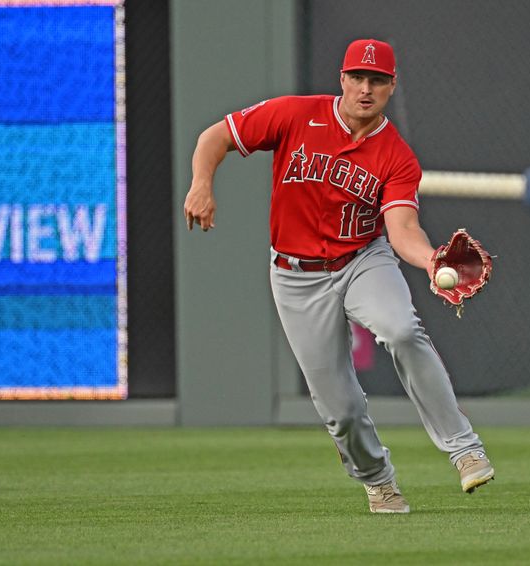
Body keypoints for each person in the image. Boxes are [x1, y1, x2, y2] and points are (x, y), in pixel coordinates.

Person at [184, 38, 494, 514]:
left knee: (401, 328)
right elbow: (215, 137)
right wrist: (202, 184)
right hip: (295, 274)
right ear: (343, 79)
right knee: (341, 409)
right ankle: (379, 483)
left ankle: (464, 448)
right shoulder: (294, 115)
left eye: (377, 80)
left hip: (361, 260)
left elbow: (402, 230)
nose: (365, 88)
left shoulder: (396, 156)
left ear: (392, 86)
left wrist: (431, 259)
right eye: (357, 77)